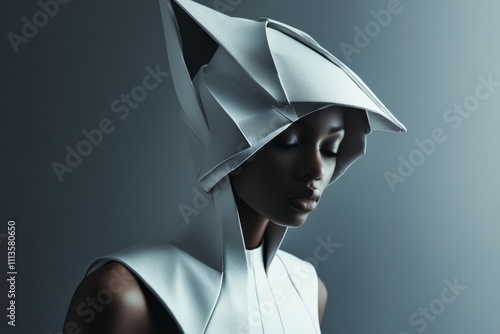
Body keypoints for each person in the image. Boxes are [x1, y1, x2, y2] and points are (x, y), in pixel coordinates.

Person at [63, 0, 406, 333]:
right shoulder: (123, 294)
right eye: (289, 142)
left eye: (331, 149)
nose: (315, 169)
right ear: (233, 144)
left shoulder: (308, 289)